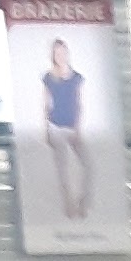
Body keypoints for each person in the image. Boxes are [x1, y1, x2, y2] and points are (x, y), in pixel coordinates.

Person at [42, 35, 91, 223]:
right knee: (63, 169)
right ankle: (69, 206)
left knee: (88, 165)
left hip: (72, 127)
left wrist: (78, 128)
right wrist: (45, 128)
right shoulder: (49, 77)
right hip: (55, 127)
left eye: (62, 52)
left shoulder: (76, 77)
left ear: (67, 54)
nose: (60, 56)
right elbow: (46, 104)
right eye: (56, 53)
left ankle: (82, 204)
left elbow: (79, 104)